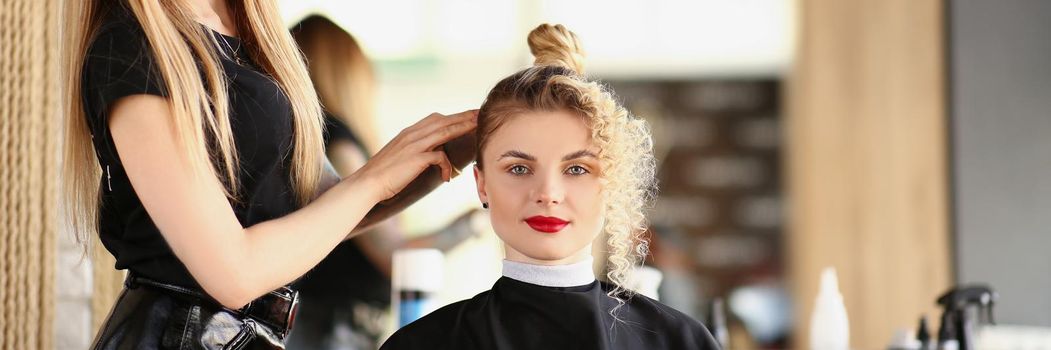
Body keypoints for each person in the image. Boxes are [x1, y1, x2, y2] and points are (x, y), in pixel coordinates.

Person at [64, 1, 475, 348]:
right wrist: (372, 179)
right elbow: (233, 273)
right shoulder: (135, 45)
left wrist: (481, 134)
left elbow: (332, 208)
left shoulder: (251, 35)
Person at [379, 24, 720, 350]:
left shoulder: (679, 341)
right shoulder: (423, 345)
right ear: (482, 184)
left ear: (610, 183)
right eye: (519, 168)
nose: (548, 193)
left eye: (576, 168)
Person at [286, 15, 483, 349]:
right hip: (333, 330)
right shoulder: (338, 142)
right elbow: (392, 254)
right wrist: (475, 224)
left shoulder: (302, 143)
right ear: (347, 73)